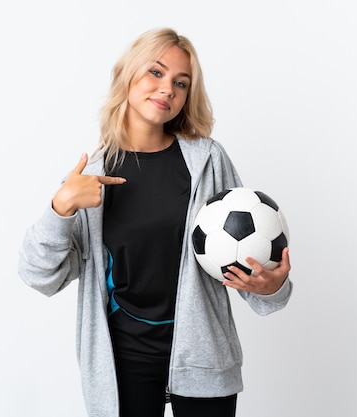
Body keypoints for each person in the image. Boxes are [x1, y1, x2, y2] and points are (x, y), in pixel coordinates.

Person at [18, 27, 293, 417]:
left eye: (181, 83)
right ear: (127, 75)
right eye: (156, 73)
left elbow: (243, 252)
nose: (168, 89)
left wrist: (272, 287)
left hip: (202, 357)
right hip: (123, 362)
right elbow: (38, 275)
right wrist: (59, 208)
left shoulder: (207, 162)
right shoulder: (92, 177)